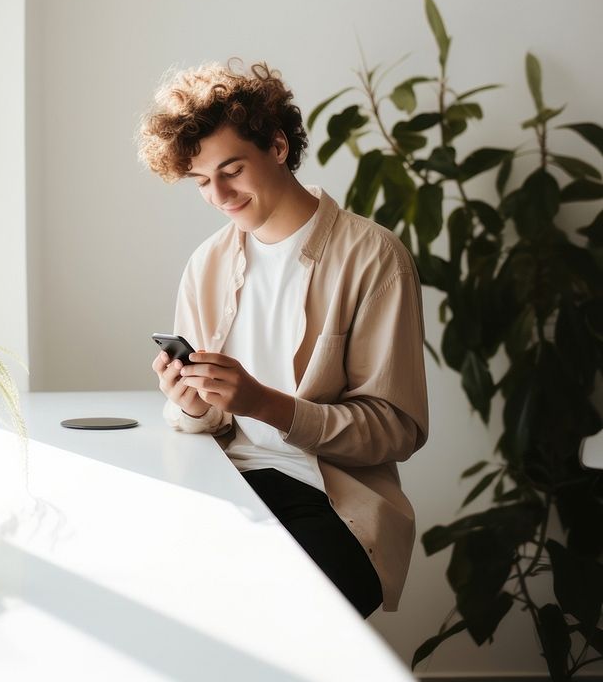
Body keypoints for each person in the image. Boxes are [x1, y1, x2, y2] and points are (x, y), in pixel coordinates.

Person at [137, 60, 428, 617]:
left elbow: (397, 430)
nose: (219, 194)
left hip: (331, 501)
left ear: (276, 146)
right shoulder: (208, 263)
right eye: (201, 182)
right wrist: (193, 404)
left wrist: (265, 404)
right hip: (225, 482)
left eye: (232, 169)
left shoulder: (374, 258)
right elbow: (207, 422)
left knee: (272, 620)